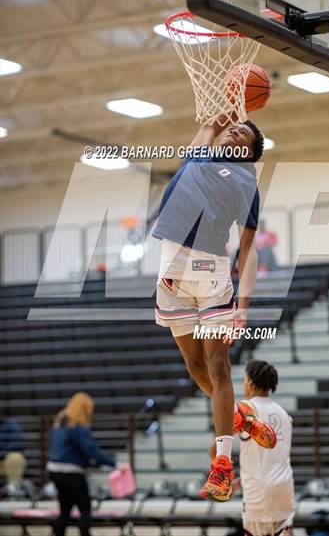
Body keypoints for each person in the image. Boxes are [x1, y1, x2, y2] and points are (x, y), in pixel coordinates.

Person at [152, 115, 277, 502]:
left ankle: (222, 466)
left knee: (218, 366)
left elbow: (248, 249)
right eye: (234, 128)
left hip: (210, 269)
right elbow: (204, 133)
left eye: (244, 133)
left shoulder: (245, 181)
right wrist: (212, 122)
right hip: (171, 269)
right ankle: (239, 417)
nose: (235, 131)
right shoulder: (198, 156)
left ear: (250, 154)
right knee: (194, 368)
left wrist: (243, 304)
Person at [47, 392, 122, 536]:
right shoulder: (77, 426)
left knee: (64, 511)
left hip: (54, 470)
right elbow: (91, 450)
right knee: (85, 510)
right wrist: (115, 463)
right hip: (71, 471)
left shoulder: (59, 423)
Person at [235, 360, 295, 536]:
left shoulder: (246, 409)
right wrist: (240, 481)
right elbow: (271, 458)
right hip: (284, 491)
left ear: (251, 382)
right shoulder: (284, 414)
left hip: (258, 494)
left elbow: (220, 439)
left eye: (245, 379)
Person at [0, 417, 26, 492]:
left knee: (15, 457)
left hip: (6, 458)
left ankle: (13, 488)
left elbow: (15, 446)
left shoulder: (10, 425)